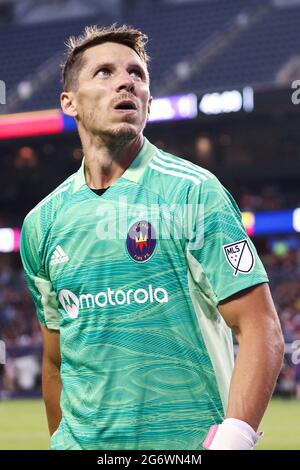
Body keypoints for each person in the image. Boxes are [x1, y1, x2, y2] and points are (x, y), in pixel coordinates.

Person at [20, 24, 284, 450]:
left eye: (137, 74)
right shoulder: (42, 222)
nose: (126, 80)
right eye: (104, 72)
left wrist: (233, 439)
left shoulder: (193, 193)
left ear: (148, 100)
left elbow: (261, 327)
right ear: (69, 101)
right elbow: (55, 361)